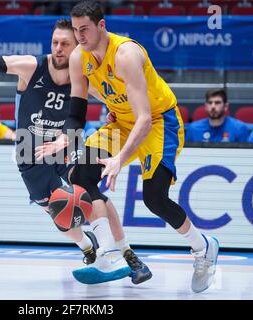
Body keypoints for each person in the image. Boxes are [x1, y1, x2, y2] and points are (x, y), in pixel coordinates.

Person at [0, 19, 151, 285]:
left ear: (76, 46)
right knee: (60, 213)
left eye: (65, 44)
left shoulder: (83, 75)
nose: (58, 48)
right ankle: (88, 247)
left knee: (91, 189)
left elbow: (116, 99)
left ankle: (122, 254)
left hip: (66, 144)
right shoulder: (31, 67)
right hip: (29, 150)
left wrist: (115, 113)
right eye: (55, 42)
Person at [35, 0, 219, 293]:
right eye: (76, 30)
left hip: (160, 122)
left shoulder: (126, 54)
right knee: (80, 175)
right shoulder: (78, 58)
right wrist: (63, 138)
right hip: (121, 122)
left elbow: (144, 118)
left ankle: (203, 247)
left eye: (85, 29)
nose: (80, 36)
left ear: (101, 25)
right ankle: (107, 254)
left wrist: (120, 158)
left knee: (154, 198)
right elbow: (76, 113)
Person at [186, 89, 250, 142]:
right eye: (210, 103)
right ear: (206, 106)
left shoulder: (239, 128)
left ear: (225, 106)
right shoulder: (193, 129)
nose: (213, 106)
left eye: (217, 103)